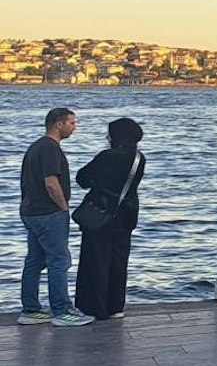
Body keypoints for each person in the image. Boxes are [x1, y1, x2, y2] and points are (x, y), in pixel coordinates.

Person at [19, 106, 91, 326]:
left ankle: (30, 309)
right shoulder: (51, 149)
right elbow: (51, 183)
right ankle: (62, 310)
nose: (74, 128)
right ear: (58, 124)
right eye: (72, 123)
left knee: (35, 260)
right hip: (48, 213)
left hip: (31, 211)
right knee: (59, 260)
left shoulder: (35, 147)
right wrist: (63, 208)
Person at [73, 117, 146, 320]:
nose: (107, 136)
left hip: (101, 215)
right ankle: (116, 306)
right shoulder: (139, 158)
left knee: (96, 261)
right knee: (118, 261)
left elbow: (82, 178)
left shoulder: (107, 156)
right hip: (126, 216)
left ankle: (94, 307)